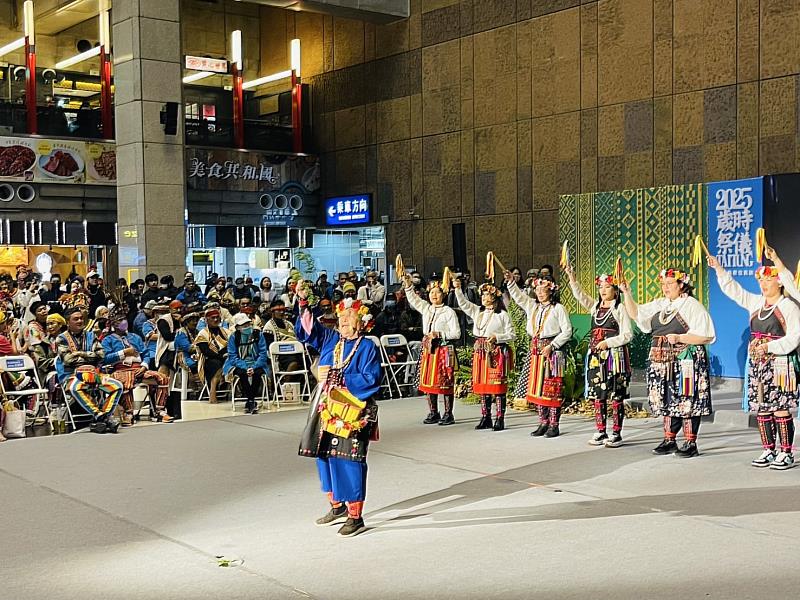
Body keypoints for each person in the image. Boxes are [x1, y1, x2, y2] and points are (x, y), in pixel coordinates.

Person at [295, 284, 381, 538]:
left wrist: (336, 376)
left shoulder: (367, 347)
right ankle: (337, 506)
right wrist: (302, 301)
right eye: (341, 318)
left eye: (348, 318)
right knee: (323, 454)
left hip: (353, 408)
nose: (343, 321)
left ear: (361, 323)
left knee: (349, 459)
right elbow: (309, 331)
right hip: (325, 405)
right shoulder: (333, 340)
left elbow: (371, 378)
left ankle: (356, 515)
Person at [710, 256, 800, 469]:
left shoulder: (788, 306)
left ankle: (786, 453)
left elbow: (795, 336)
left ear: (780, 282)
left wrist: (769, 347)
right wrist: (719, 270)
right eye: (761, 281)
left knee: (780, 408)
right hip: (758, 364)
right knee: (762, 408)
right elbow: (735, 291)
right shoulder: (756, 303)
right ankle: (768, 449)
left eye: (768, 280)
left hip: (780, 365)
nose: (763, 284)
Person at [621, 268, 715, 458]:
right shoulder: (661, 304)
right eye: (663, 284)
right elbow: (636, 314)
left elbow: (707, 336)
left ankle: (690, 442)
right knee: (665, 398)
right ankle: (669, 439)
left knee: (687, 398)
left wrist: (681, 337)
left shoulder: (691, 305)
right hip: (660, 361)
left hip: (685, 361)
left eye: (670, 284)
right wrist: (627, 293)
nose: (666, 288)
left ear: (682, 284)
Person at [566, 265, 633, 447]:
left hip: (615, 358)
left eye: (607, 287)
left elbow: (627, 335)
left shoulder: (620, 308)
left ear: (615, 290)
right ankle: (601, 430)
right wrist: (572, 277)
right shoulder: (595, 307)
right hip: (597, 358)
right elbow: (580, 296)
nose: (603, 290)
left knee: (616, 395)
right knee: (599, 395)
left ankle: (616, 433)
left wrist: (607, 343)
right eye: (601, 287)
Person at [504, 270, 572, 438]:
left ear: (552, 290)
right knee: (538, 387)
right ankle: (543, 422)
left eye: (544, 289)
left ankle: (554, 425)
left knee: (552, 388)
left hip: (553, 352)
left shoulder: (558, 308)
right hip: (536, 350)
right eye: (538, 290)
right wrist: (512, 282)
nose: (540, 293)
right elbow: (518, 297)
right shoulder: (532, 306)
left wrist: (553, 345)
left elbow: (567, 331)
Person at [453, 277, 515, 431]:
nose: (484, 298)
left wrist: (497, 337)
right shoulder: (477, 311)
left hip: (496, 352)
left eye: (487, 295)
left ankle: (499, 418)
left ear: (494, 297)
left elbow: (512, 334)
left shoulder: (502, 315)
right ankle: (485, 416)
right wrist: (458, 289)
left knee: (497, 387)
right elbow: (463, 304)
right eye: (482, 295)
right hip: (480, 351)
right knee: (483, 386)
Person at [55, 307, 123, 433]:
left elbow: (101, 355)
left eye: (81, 318)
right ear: (68, 322)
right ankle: (101, 416)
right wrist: (90, 355)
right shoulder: (61, 338)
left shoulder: (91, 335)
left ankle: (102, 418)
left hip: (93, 373)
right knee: (75, 387)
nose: (80, 321)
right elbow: (68, 360)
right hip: (71, 375)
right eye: (76, 319)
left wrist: (79, 354)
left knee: (117, 386)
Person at [403, 276, 461, 425]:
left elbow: (457, 333)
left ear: (444, 295)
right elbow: (413, 299)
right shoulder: (426, 308)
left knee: (445, 380)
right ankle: (433, 411)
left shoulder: (448, 312)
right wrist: (408, 286)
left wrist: (440, 334)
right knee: (428, 380)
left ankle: (448, 413)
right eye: (432, 292)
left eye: (437, 292)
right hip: (429, 349)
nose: (434, 295)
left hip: (443, 349)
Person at [101, 305, 172, 425]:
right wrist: (123, 353)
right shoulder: (107, 340)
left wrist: (144, 365)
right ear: (113, 324)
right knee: (126, 381)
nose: (123, 322)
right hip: (121, 369)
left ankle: (160, 411)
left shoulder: (135, 337)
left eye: (124, 319)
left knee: (162, 378)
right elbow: (105, 359)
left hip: (139, 368)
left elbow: (146, 353)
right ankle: (129, 413)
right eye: (119, 320)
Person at [224, 312, 269, 414]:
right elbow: (232, 356)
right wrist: (245, 367)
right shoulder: (233, 337)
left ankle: (250, 401)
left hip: (257, 362)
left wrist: (253, 366)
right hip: (238, 363)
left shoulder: (258, 334)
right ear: (238, 327)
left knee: (257, 373)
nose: (248, 327)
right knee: (242, 374)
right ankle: (251, 400)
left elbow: (263, 354)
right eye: (244, 326)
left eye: (248, 324)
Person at [195, 306, 230, 404]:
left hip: (225, 357)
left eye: (217, 317)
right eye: (212, 318)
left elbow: (230, 345)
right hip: (208, 359)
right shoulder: (203, 333)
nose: (215, 320)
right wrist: (221, 356)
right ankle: (213, 391)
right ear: (206, 320)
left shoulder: (225, 331)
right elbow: (205, 351)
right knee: (216, 363)